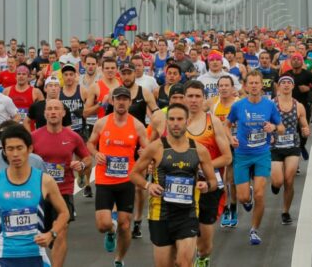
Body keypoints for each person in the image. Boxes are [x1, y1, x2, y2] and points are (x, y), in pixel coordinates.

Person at [131, 103, 219, 267]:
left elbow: (213, 181)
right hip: (160, 214)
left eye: (179, 119)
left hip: (188, 214)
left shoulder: (199, 150)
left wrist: (206, 186)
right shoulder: (156, 147)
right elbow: (134, 174)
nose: (175, 123)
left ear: (187, 121)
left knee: (184, 262)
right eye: (171, 119)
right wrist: (148, 186)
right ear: (167, 122)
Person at [0, 124, 68, 267]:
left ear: (29, 149)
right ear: (4, 151)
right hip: (2, 255)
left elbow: (64, 212)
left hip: (35, 254)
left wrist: (51, 234)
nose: (15, 154)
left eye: (19, 148)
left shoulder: (45, 181)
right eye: (10, 149)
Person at [86, 86, 147, 267]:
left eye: (124, 99)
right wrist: (96, 153)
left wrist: (144, 152)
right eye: (118, 99)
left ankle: (119, 260)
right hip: (104, 180)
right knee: (103, 225)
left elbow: (148, 149)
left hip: (126, 181)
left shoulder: (137, 125)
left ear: (129, 102)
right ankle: (110, 231)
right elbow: (90, 143)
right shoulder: (102, 123)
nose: (121, 102)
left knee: (125, 225)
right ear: (112, 101)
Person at [226, 70, 284, 246]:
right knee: (243, 198)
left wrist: (273, 127)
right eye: (250, 83)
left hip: (262, 154)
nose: (253, 86)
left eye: (256, 83)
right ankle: (247, 196)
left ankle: (254, 230)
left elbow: (281, 128)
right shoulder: (238, 106)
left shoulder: (269, 105)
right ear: (245, 86)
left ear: (261, 85)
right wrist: (231, 138)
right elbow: (226, 125)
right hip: (242, 155)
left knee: (260, 194)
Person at [30, 98, 91, 267]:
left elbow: (87, 157)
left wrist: (82, 164)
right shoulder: (34, 137)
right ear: (45, 113)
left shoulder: (73, 137)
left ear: (64, 113)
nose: (53, 112)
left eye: (57, 108)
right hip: (39, 192)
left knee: (61, 232)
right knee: (37, 235)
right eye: (49, 109)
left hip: (63, 190)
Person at [181, 81, 232, 266]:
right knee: (183, 239)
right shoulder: (176, 121)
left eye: (197, 96)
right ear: (184, 98)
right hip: (184, 186)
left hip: (210, 185)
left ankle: (202, 258)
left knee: (204, 244)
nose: (193, 100)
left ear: (204, 99)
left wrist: (203, 166)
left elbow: (227, 158)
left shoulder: (213, 122)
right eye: (190, 96)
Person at [269, 75, 311, 227]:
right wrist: (269, 133)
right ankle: (275, 185)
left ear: (293, 86)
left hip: (292, 145)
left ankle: (285, 211)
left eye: (289, 83)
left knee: (289, 179)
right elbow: (263, 122)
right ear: (278, 87)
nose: (286, 85)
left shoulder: (298, 106)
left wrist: (306, 130)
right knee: (278, 181)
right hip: (274, 146)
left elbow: (304, 124)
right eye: (283, 83)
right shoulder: (271, 104)